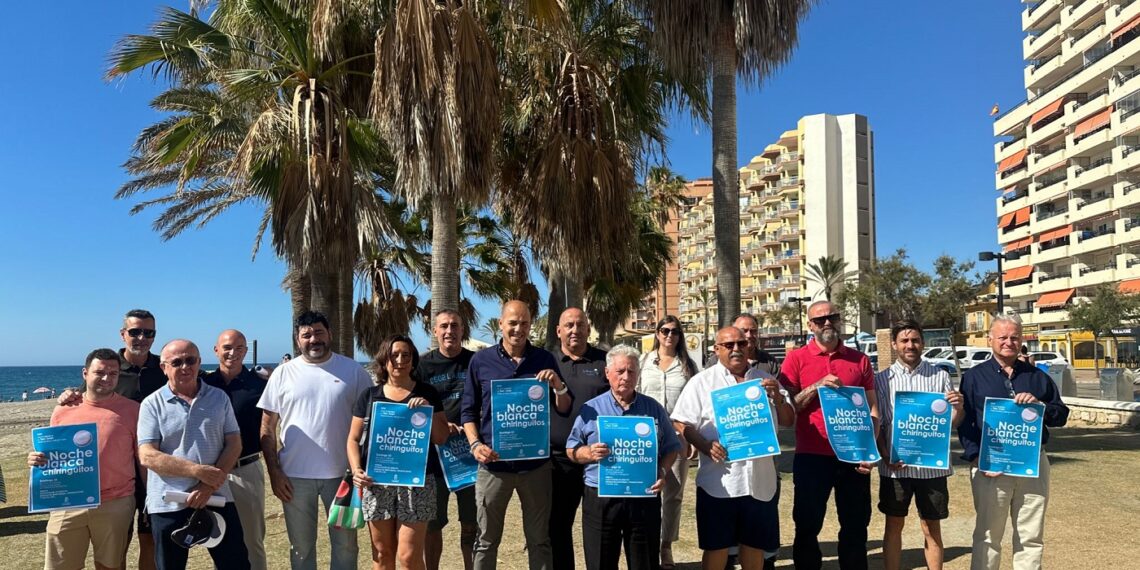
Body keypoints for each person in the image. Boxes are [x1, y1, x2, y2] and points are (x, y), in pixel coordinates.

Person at [460, 300, 572, 570]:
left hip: (535, 467)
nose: (518, 329)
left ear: (530, 325)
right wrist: (475, 444)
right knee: (486, 539)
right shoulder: (481, 361)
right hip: (494, 466)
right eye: (512, 322)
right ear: (501, 324)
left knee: (539, 540)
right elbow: (468, 412)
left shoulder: (545, 359)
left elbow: (565, 407)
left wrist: (558, 385)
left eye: (524, 323)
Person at [672, 326, 794, 570]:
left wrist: (778, 399)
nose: (737, 349)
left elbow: (789, 420)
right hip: (720, 483)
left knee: (754, 546)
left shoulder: (766, 380)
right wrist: (705, 445)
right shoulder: (702, 382)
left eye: (741, 344)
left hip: (759, 481)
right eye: (729, 345)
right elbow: (681, 422)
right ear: (717, 349)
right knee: (716, 548)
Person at [258, 311, 373, 570]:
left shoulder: (353, 371)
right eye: (306, 335)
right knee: (301, 548)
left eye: (319, 332)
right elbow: (267, 427)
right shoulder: (282, 374)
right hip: (294, 478)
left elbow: (374, 418)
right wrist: (274, 472)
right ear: (297, 340)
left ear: (330, 334)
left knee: (346, 546)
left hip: (343, 476)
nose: (313, 339)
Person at [957, 314, 1069, 570]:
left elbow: (1060, 414)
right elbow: (966, 422)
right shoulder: (974, 377)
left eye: (1014, 337)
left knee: (1030, 535)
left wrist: (1041, 406)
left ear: (1021, 340)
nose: (1009, 342)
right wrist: (975, 456)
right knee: (987, 535)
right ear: (990, 340)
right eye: (1003, 337)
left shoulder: (1038, 377)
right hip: (990, 466)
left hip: (1032, 463)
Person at [778, 300, 879, 570]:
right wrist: (816, 386)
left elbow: (873, 409)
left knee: (856, 525)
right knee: (807, 526)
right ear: (810, 325)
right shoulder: (795, 359)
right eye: (819, 320)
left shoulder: (860, 360)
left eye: (832, 317)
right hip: (812, 456)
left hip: (853, 457)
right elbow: (789, 409)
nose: (827, 323)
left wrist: (869, 452)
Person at [60, 309, 165, 570]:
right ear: (123, 334)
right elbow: (86, 399)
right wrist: (68, 394)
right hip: (118, 474)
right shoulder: (110, 369)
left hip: (155, 469)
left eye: (148, 332)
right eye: (135, 332)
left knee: (151, 539)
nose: (141, 337)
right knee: (118, 543)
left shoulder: (164, 368)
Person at [137, 340, 249, 570]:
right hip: (168, 503)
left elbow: (234, 443)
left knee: (236, 564)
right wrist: (197, 471)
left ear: (199, 362)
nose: (185, 367)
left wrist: (207, 486)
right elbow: (147, 456)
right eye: (177, 362)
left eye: (191, 360)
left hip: (217, 497)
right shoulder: (151, 404)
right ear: (164, 368)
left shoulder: (219, 398)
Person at [567, 345, 680, 570]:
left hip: (643, 496)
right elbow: (571, 449)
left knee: (644, 562)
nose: (626, 377)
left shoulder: (653, 409)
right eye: (620, 371)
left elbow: (672, 447)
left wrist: (663, 471)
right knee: (600, 561)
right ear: (607, 373)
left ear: (638, 375)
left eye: (631, 371)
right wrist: (588, 453)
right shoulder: (591, 409)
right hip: (601, 497)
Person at [27, 348, 140, 570]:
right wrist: (37, 460)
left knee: (110, 565)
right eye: (100, 372)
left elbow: (142, 458)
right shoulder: (63, 408)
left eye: (113, 373)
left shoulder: (133, 410)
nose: (107, 378)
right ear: (85, 373)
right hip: (68, 502)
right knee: (60, 565)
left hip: (115, 502)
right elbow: (53, 454)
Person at [348, 335, 449, 570]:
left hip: (417, 483)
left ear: (413, 360)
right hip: (376, 482)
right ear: (384, 360)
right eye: (394, 355)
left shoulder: (427, 393)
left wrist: (427, 411)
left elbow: (441, 437)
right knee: (382, 555)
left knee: (408, 557)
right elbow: (352, 439)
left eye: (406, 355)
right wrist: (356, 470)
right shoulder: (369, 396)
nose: (400, 360)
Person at [873, 321, 964, 570]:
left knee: (931, 527)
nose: (910, 345)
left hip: (931, 469)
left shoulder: (940, 376)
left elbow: (952, 424)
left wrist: (959, 407)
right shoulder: (882, 379)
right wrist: (883, 454)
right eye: (904, 340)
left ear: (922, 343)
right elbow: (877, 423)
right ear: (894, 344)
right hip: (895, 467)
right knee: (893, 525)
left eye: (915, 340)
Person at [635, 316, 701, 569]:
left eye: (674, 331)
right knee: (646, 490)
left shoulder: (688, 365)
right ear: (657, 333)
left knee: (673, 495)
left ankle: (666, 547)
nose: (669, 335)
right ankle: (646, 542)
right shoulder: (643, 362)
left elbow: (695, 403)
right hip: (645, 436)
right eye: (665, 330)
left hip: (677, 437)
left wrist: (691, 435)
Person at [549, 308, 610, 570]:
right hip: (559, 459)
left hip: (600, 459)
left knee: (600, 526)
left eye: (580, 325)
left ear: (588, 328)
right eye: (569, 325)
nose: (575, 330)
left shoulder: (605, 361)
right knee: (559, 525)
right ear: (558, 331)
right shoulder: (547, 362)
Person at [202, 330, 269, 570]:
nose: (233, 352)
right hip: (211, 473)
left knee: (252, 540)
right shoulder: (203, 386)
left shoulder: (259, 385)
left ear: (246, 351)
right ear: (216, 350)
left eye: (240, 348)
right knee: (217, 540)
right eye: (228, 347)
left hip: (246, 470)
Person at [417, 310, 477, 570]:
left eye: (455, 325)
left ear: (463, 330)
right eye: (444, 326)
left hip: (471, 455)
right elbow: (414, 407)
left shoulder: (476, 362)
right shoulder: (422, 366)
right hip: (434, 457)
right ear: (435, 331)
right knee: (433, 523)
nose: (449, 331)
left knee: (472, 522)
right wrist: (439, 424)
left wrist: (471, 426)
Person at [704, 314, 780, 377]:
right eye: (743, 331)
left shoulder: (770, 362)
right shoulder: (716, 361)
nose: (749, 335)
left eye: (753, 331)